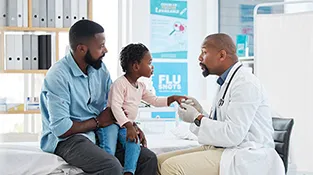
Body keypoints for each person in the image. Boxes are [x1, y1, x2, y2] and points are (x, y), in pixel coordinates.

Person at [40, 20, 158, 175]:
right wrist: (98, 122)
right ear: (82, 49)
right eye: (101, 46)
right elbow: (61, 129)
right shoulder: (58, 76)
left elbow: (114, 102)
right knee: (111, 166)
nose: (106, 50)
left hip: (99, 131)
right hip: (68, 139)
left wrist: (130, 125)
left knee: (148, 159)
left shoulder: (99, 69)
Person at [157, 33, 285, 175]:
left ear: (222, 55)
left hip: (247, 155)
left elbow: (233, 134)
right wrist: (199, 112)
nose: (200, 58)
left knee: (171, 167)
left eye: (204, 52)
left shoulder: (245, 83)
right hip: (225, 147)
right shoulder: (225, 82)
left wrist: (197, 118)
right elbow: (220, 126)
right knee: (159, 161)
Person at [96, 43, 186, 175]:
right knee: (108, 150)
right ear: (136, 66)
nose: (152, 66)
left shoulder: (141, 86)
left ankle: (129, 172)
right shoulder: (120, 84)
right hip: (111, 124)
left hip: (125, 126)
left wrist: (172, 98)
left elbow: (154, 101)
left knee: (133, 143)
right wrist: (129, 125)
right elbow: (115, 106)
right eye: (149, 63)